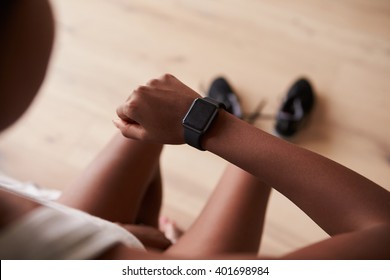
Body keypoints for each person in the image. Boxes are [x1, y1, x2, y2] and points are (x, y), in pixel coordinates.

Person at [1, 0, 389, 260]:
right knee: (251, 166)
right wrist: (211, 123)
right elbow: (382, 233)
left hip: (75, 230)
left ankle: (242, 132)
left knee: (133, 132)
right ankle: (255, 129)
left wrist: (121, 234)